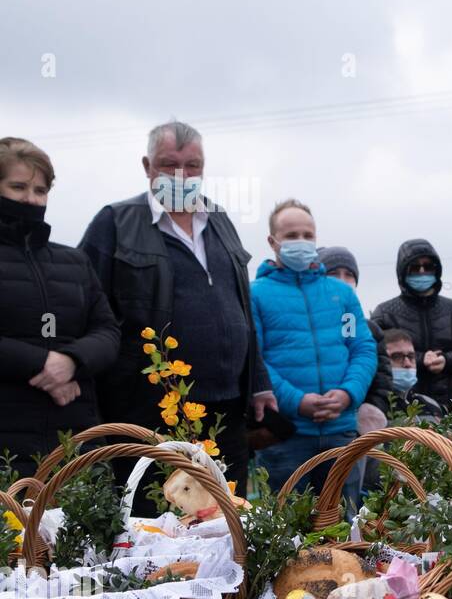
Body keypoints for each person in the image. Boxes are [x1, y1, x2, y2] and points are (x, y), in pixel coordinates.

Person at [79, 120, 275, 493]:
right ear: (146, 166)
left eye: (193, 166)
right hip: (148, 407)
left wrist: (259, 383)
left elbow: (241, 310)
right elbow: (85, 306)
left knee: (225, 516)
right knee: (154, 520)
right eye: (169, 165)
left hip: (225, 410)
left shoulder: (219, 221)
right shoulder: (115, 223)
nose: (182, 176)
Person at [0, 138, 119, 475]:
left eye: (40, 189)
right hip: (7, 445)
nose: (31, 199)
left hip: (74, 440)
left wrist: (71, 361)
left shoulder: (74, 262)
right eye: (18, 186)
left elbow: (108, 331)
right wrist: (42, 363)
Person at [250, 200, 376, 507]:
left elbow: (362, 349)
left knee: (344, 529)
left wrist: (348, 394)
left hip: (340, 431)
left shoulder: (341, 294)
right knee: (287, 534)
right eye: (292, 235)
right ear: (273, 242)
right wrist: (296, 401)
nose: (301, 242)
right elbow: (255, 360)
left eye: (308, 235)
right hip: (286, 437)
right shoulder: (256, 294)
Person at [371, 239, 452, 414]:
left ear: (436, 270)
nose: (422, 271)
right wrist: (420, 359)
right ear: (402, 272)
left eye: (428, 266)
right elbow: (375, 355)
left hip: (446, 408)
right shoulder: (385, 312)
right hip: (399, 407)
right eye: (415, 267)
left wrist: (446, 360)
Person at [318, 245, 392, 433]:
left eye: (349, 274)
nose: (342, 281)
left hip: (359, 428)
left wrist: (372, 410)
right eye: (333, 273)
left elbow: (382, 379)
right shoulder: (305, 325)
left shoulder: (369, 330)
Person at [382, 328, 443, 420]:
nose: (407, 363)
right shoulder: (372, 408)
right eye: (397, 357)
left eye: (411, 356)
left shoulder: (430, 406)